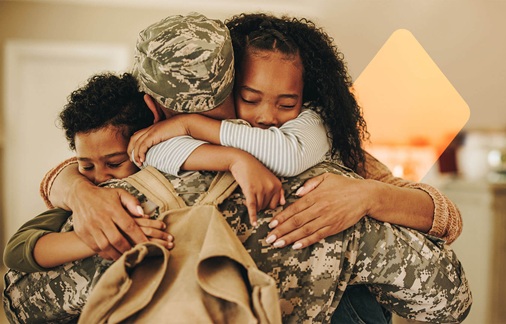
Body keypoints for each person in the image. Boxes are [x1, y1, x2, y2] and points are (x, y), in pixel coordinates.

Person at [6, 12, 471, 323]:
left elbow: (447, 218)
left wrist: (370, 195)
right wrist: (76, 188)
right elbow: (447, 300)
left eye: (283, 103)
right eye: (248, 97)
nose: (262, 116)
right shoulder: (130, 170)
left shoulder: (326, 158)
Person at [2, 73, 174, 272]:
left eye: (115, 163)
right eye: (87, 166)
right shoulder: (87, 194)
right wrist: (97, 237)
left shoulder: (164, 163)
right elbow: (15, 251)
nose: (100, 177)